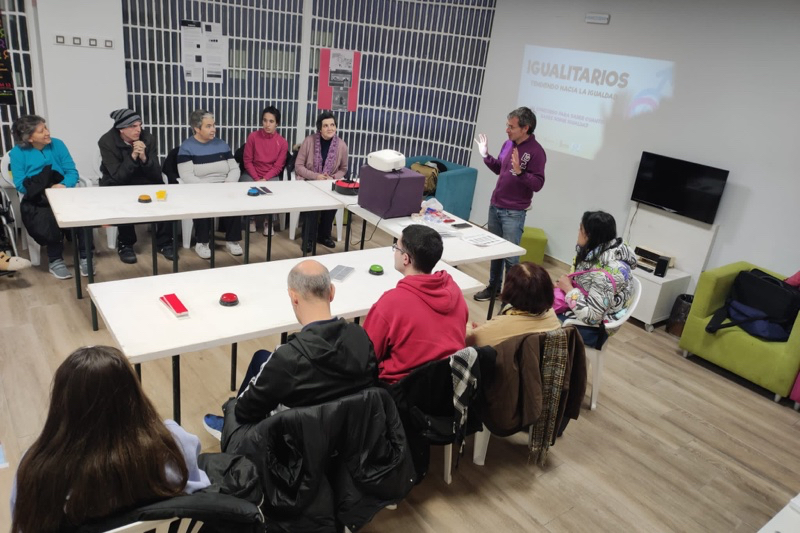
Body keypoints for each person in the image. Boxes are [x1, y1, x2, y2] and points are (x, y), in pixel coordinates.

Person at [10, 346, 210, 532]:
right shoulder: (176, 443)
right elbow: (200, 501)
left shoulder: (34, 472)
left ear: (61, 405)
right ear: (133, 395)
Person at [203, 259, 377, 436]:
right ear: (331, 292)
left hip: (296, 443)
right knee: (261, 358)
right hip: (347, 434)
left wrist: (233, 408)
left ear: (294, 297)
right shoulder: (360, 337)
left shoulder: (287, 358)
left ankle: (228, 430)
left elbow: (243, 411)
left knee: (237, 409)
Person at [363, 224, 469, 384]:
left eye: (396, 247)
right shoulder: (454, 291)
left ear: (406, 258)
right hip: (447, 387)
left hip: (399, 393)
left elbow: (365, 356)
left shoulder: (391, 303)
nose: (394, 252)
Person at [473, 106, 546, 301]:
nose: (507, 129)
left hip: (513, 213)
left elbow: (538, 184)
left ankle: (511, 297)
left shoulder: (536, 152)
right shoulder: (508, 144)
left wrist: (521, 172)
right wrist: (486, 155)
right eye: (507, 125)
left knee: (511, 258)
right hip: (495, 205)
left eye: (511, 126)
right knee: (495, 251)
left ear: (525, 128)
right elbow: (499, 169)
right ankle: (494, 288)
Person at [9, 115, 91, 280]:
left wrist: (63, 185)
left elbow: (71, 172)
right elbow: (20, 183)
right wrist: (44, 189)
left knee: (82, 213)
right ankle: (55, 260)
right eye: (42, 130)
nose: (48, 133)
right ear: (29, 138)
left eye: (46, 127)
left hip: (62, 190)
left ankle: (85, 256)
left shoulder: (57, 144)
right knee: (48, 216)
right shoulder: (17, 153)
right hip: (37, 195)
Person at [99, 108, 175, 263]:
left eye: (139, 125)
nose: (138, 129)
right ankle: (125, 244)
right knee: (123, 198)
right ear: (121, 129)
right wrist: (133, 156)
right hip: (117, 180)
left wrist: (144, 157)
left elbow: (156, 173)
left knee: (164, 194)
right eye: (133, 126)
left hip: (144, 177)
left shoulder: (148, 138)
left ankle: (164, 242)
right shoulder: (106, 141)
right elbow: (118, 176)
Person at [555, 210, 637, 348]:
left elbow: (592, 317)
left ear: (589, 235)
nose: (578, 232)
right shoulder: (600, 254)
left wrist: (568, 289)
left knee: (537, 320)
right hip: (585, 309)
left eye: (580, 229)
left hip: (594, 330)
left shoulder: (605, 274)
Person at [177, 109, 242, 259]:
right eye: (208, 126)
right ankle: (202, 242)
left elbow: (234, 168)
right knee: (202, 202)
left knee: (235, 199)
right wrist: (207, 189)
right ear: (197, 128)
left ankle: (232, 240)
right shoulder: (187, 147)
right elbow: (186, 175)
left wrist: (229, 183)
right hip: (201, 188)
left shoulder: (222, 144)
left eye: (213, 125)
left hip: (224, 186)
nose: (213, 129)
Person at [466, 262, 560, 347]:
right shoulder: (552, 316)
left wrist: (470, 327)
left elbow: (467, 341)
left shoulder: (491, 330)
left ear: (509, 290)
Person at [294, 111, 348, 252]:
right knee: (312, 205)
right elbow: (298, 166)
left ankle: (324, 235)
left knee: (333, 201)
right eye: (325, 126)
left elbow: (343, 169)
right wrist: (315, 176)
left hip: (329, 183)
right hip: (309, 181)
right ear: (320, 128)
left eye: (332, 125)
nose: (330, 128)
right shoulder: (309, 141)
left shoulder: (342, 145)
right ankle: (308, 239)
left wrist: (333, 177)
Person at [241, 105, 289, 236]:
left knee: (273, 191)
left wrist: (265, 179)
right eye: (265, 120)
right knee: (245, 187)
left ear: (277, 123)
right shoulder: (253, 137)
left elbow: (278, 166)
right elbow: (247, 161)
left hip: (270, 174)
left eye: (271, 121)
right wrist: (257, 179)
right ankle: (250, 218)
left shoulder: (282, 143)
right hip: (252, 173)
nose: (267, 124)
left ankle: (269, 221)